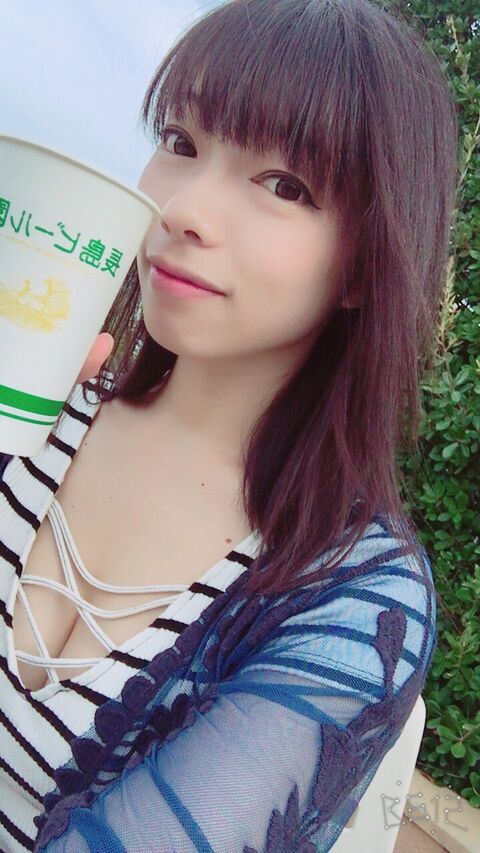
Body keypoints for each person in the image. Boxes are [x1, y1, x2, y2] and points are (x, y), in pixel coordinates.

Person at [0, 0, 459, 850]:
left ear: (364, 266)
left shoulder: (357, 597)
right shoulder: (31, 409)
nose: (183, 209)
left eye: (285, 186)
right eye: (179, 142)